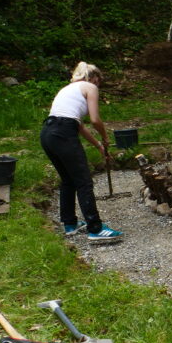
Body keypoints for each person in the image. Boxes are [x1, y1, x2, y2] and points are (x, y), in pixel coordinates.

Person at [41, 62, 123, 244]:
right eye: (99, 81)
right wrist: (104, 136)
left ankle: (70, 224)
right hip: (63, 133)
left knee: (68, 180)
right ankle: (96, 228)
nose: (98, 85)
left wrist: (98, 145)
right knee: (84, 181)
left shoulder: (68, 89)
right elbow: (95, 120)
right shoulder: (90, 87)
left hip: (48, 133)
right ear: (94, 78)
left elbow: (78, 125)